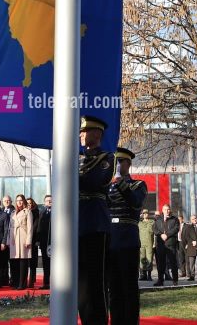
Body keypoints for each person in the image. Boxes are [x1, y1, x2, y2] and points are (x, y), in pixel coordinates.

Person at [78, 115, 114, 324]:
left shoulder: (107, 158)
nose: (81, 135)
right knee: (81, 282)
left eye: (85, 131)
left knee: (97, 281)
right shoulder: (77, 158)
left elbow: (95, 181)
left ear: (97, 133)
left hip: (96, 225)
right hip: (77, 225)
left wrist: (77, 168)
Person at [107, 147, 147, 325]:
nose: (115, 166)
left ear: (128, 164)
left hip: (127, 239)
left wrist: (120, 182)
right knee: (113, 287)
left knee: (129, 286)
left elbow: (135, 201)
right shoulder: (108, 187)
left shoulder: (138, 185)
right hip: (110, 239)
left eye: (119, 162)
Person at [8, 194, 33, 290]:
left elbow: (30, 227)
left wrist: (28, 240)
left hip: (23, 237)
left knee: (23, 262)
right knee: (14, 262)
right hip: (13, 238)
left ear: (24, 201)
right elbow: (10, 228)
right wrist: (8, 241)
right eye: (18, 200)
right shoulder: (13, 213)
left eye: (21, 200)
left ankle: (22, 284)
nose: (19, 202)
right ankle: (15, 282)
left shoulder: (27, 212)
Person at [153, 204, 180, 287]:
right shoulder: (158, 219)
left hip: (170, 244)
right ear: (162, 210)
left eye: (168, 209)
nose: (167, 211)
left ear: (170, 210)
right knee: (160, 264)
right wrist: (161, 235)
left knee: (173, 263)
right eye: (165, 209)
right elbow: (154, 229)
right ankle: (160, 280)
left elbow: (176, 229)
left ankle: (175, 280)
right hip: (160, 244)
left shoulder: (174, 219)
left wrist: (167, 235)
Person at [0, 194, 15, 287]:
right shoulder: (1, 212)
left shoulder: (14, 211)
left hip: (12, 240)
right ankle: (4, 279)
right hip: (3, 240)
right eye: (5, 201)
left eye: (8, 200)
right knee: (3, 262)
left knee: (12, 262)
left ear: (11, 202)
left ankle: (13, 280)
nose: (6, 202)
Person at [36, 194, 52, 289]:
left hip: (54, 242)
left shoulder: (58, 211)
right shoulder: (42, 212)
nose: (49, 202)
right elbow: (39, 227)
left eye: (50, 200)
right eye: (47, 201)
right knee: (45, 263)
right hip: (44, 242)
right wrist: (38, 240)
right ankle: (46, 283)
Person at [26, 197, 40, 287]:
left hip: (33, 239)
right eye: (27, 203)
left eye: (30, 203)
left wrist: (30, 236)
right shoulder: (24, 212)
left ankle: (31, 280)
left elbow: (35, 226)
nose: (29, 205)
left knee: (33, 260)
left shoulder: (36, 212)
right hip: (25, 239)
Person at [138, 209, 154, 281]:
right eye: (144, 214)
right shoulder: (139, 223)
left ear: (148, 214)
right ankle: (143, 275)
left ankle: (149, 275)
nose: (145, 215)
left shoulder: (152, 222)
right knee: (142, 259)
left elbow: (155, 234)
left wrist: (154, 243)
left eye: (146, 213)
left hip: (149, 243)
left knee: (149, 259)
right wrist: (139, 216)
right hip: (141, 244)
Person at [182, 215, 197, 281]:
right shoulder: (188, 227)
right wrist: (191, 242)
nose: (194, 220)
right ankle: (192, 276)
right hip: (191, 247)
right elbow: (186, 236)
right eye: (192, 219)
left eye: (195, 218)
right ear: (191, 220)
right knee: (191, 263)